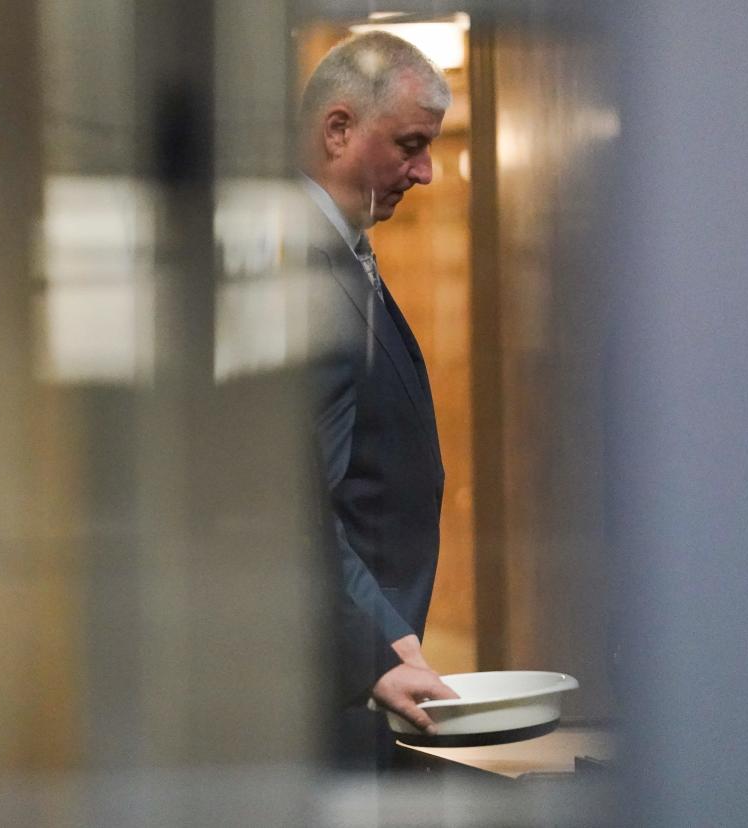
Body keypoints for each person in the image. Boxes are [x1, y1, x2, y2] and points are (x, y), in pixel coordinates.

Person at [296, 31, 460, 771]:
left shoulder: (342, 252)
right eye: (410, 144)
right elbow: (291, 502)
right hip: (328, 683)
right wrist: (374, 654)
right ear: (338, 130)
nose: (424, 172)